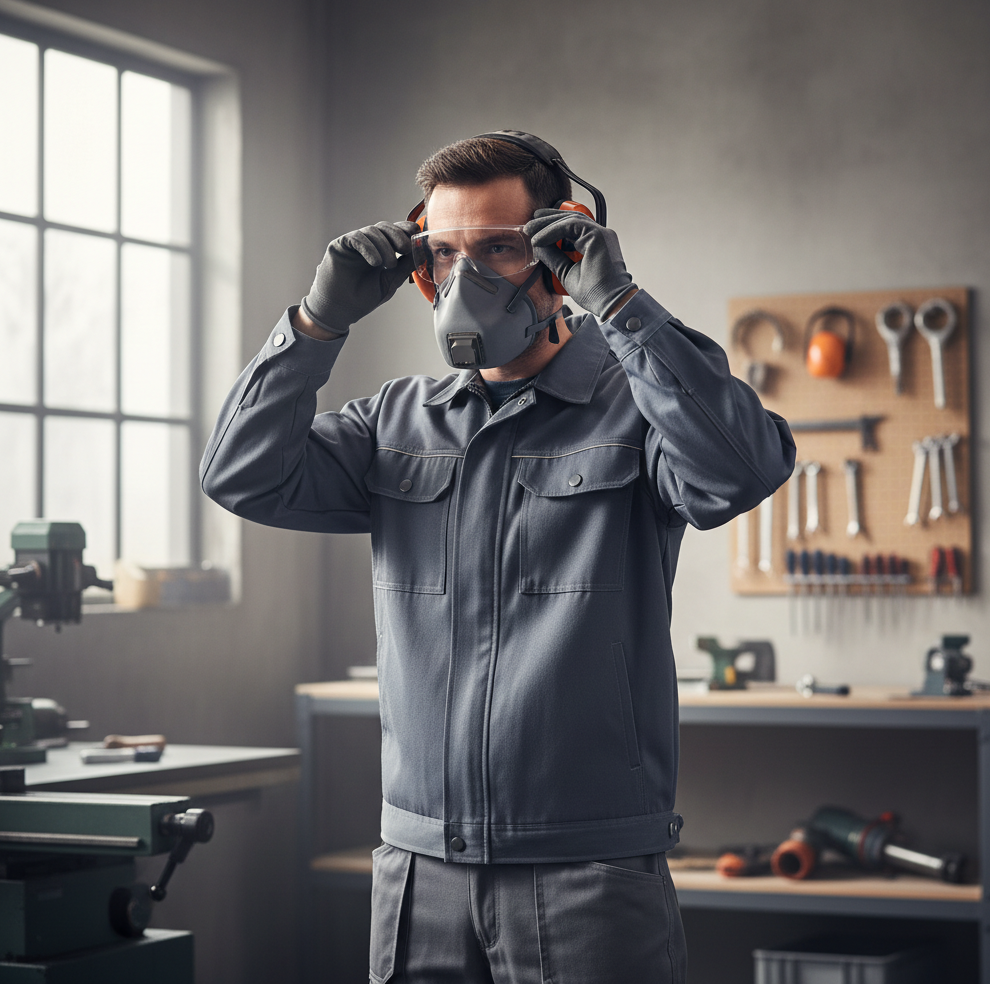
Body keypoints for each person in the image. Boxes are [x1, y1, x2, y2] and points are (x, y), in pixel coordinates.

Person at [201, 131, 795, 983]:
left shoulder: (636, 405)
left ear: (561, 255)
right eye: (443, 253)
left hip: (589, 872)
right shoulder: (393, 423)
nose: (464, 279)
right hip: (419, 873)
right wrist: (312, 325)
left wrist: (623, 306)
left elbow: (738, 471)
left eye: (499, 249)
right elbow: (241, 477)